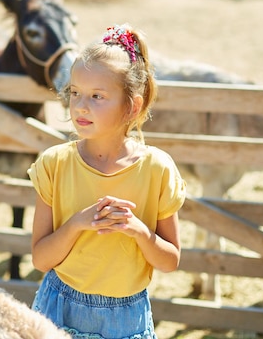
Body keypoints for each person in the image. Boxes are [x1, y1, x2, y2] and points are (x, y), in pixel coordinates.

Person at [27, 23, 187, 338]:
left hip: (127, 319)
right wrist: (76, 224)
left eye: (97, 96)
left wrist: (139, 231)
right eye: (75, 93)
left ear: (132, 106)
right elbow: (41, 260)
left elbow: (170, 262)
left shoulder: (158, 169)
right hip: (59, 308)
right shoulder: (54, 165)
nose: (81, 106)